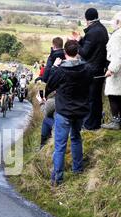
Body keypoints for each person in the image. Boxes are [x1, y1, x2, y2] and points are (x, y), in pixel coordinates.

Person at [45, 40, 93, 185]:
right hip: (80, 110)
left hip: (64, 110)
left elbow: (50, 84)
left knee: (60, 145)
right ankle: (77, 169)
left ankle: (57, 178)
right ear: (78, 51)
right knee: (76, 137)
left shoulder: (60, 70)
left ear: (65, 53)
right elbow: (90, 83)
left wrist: (54, 66)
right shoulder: (87, 68)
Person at [72, 8, 109, 130]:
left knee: (90, 98)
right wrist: (82, 40)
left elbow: (85, 53)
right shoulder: (102, 28)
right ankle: (95, 123)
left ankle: (89, 125)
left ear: (87, 19)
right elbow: (92, 46)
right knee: (96, 98)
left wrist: (77, 43)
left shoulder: (93, 32)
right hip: (99, 67)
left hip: (92, 69)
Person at [38, 37, 66, 149]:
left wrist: (41, 101)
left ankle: (43, 147)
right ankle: (44, 146)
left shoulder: (53, 57)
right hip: (74, 101)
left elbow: (46, 78)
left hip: (58, 97)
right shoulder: (67, 57)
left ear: (53, 45)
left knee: (47, 117)